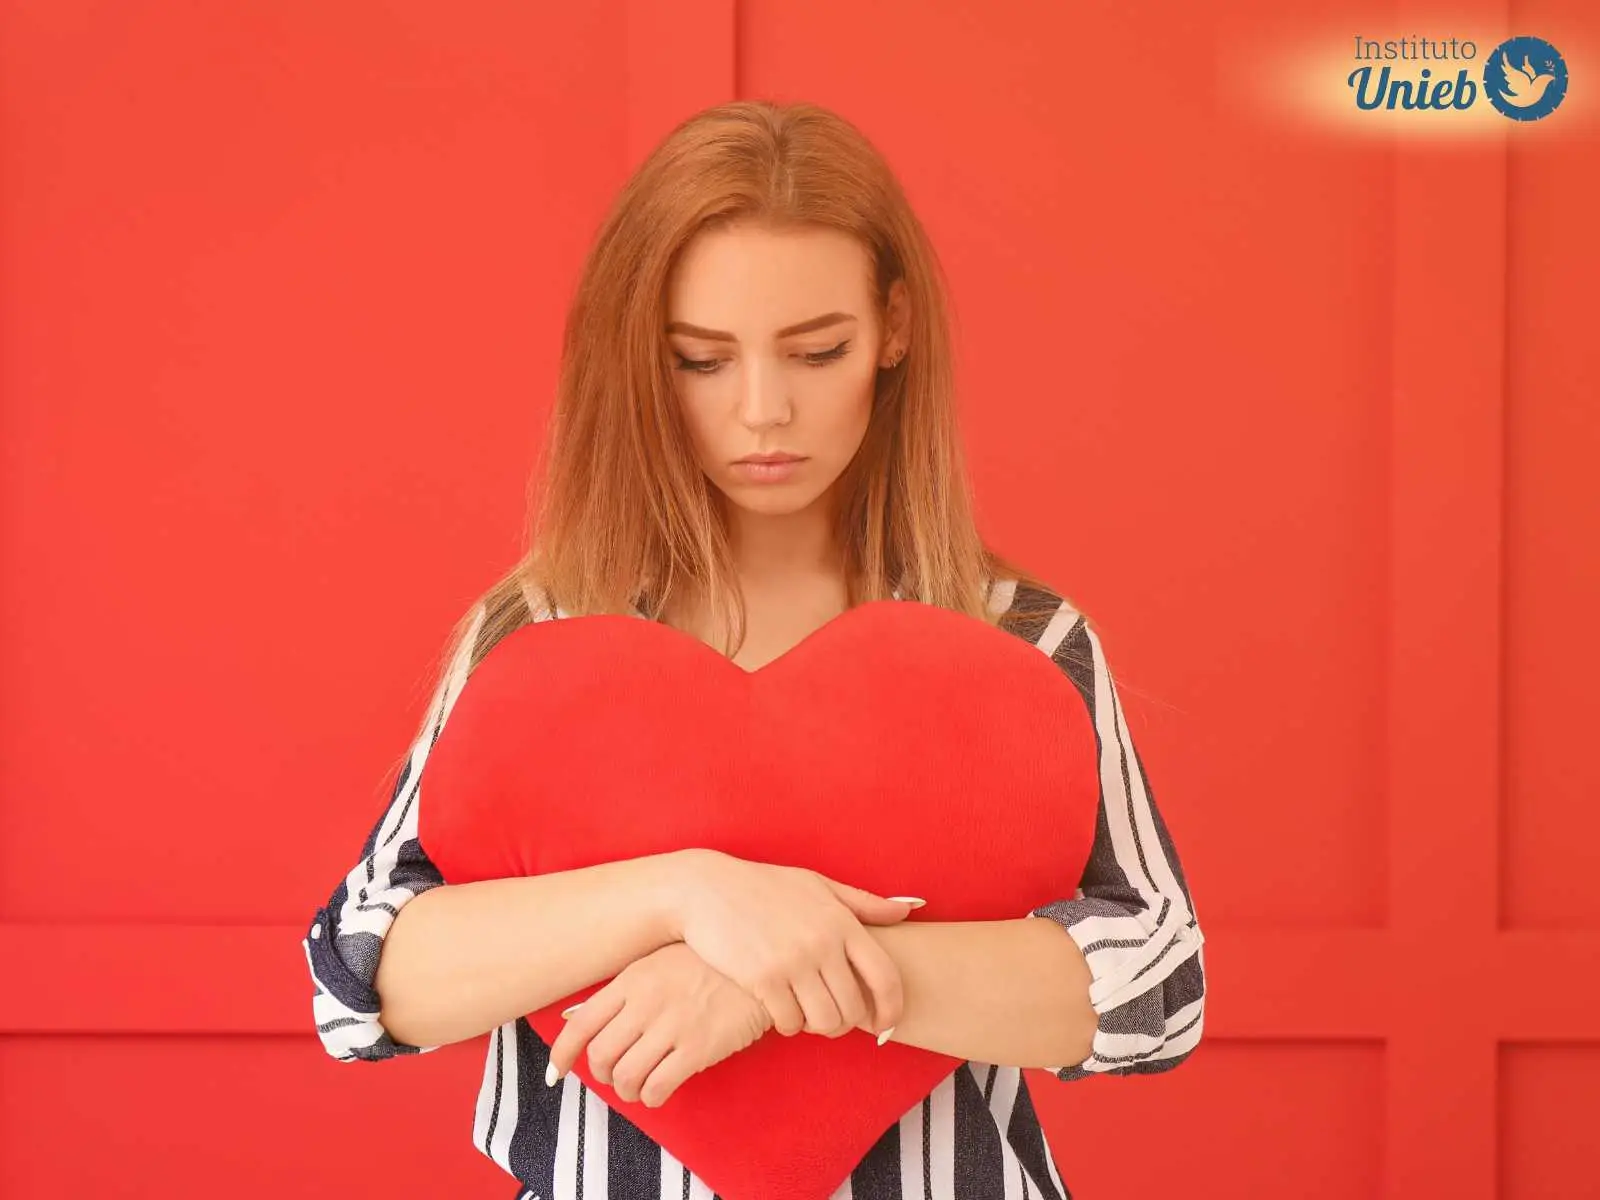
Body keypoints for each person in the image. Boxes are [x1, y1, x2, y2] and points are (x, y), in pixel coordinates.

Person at [301, 98, 1205, 1200]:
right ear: (640, 359)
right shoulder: (540, 635)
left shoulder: (1021, 640)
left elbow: (1157, 991)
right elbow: (357, 985)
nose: (764, 411)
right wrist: (685, 896)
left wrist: (762, 976)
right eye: (700, 361)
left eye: (816, 351)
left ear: (893, 329)